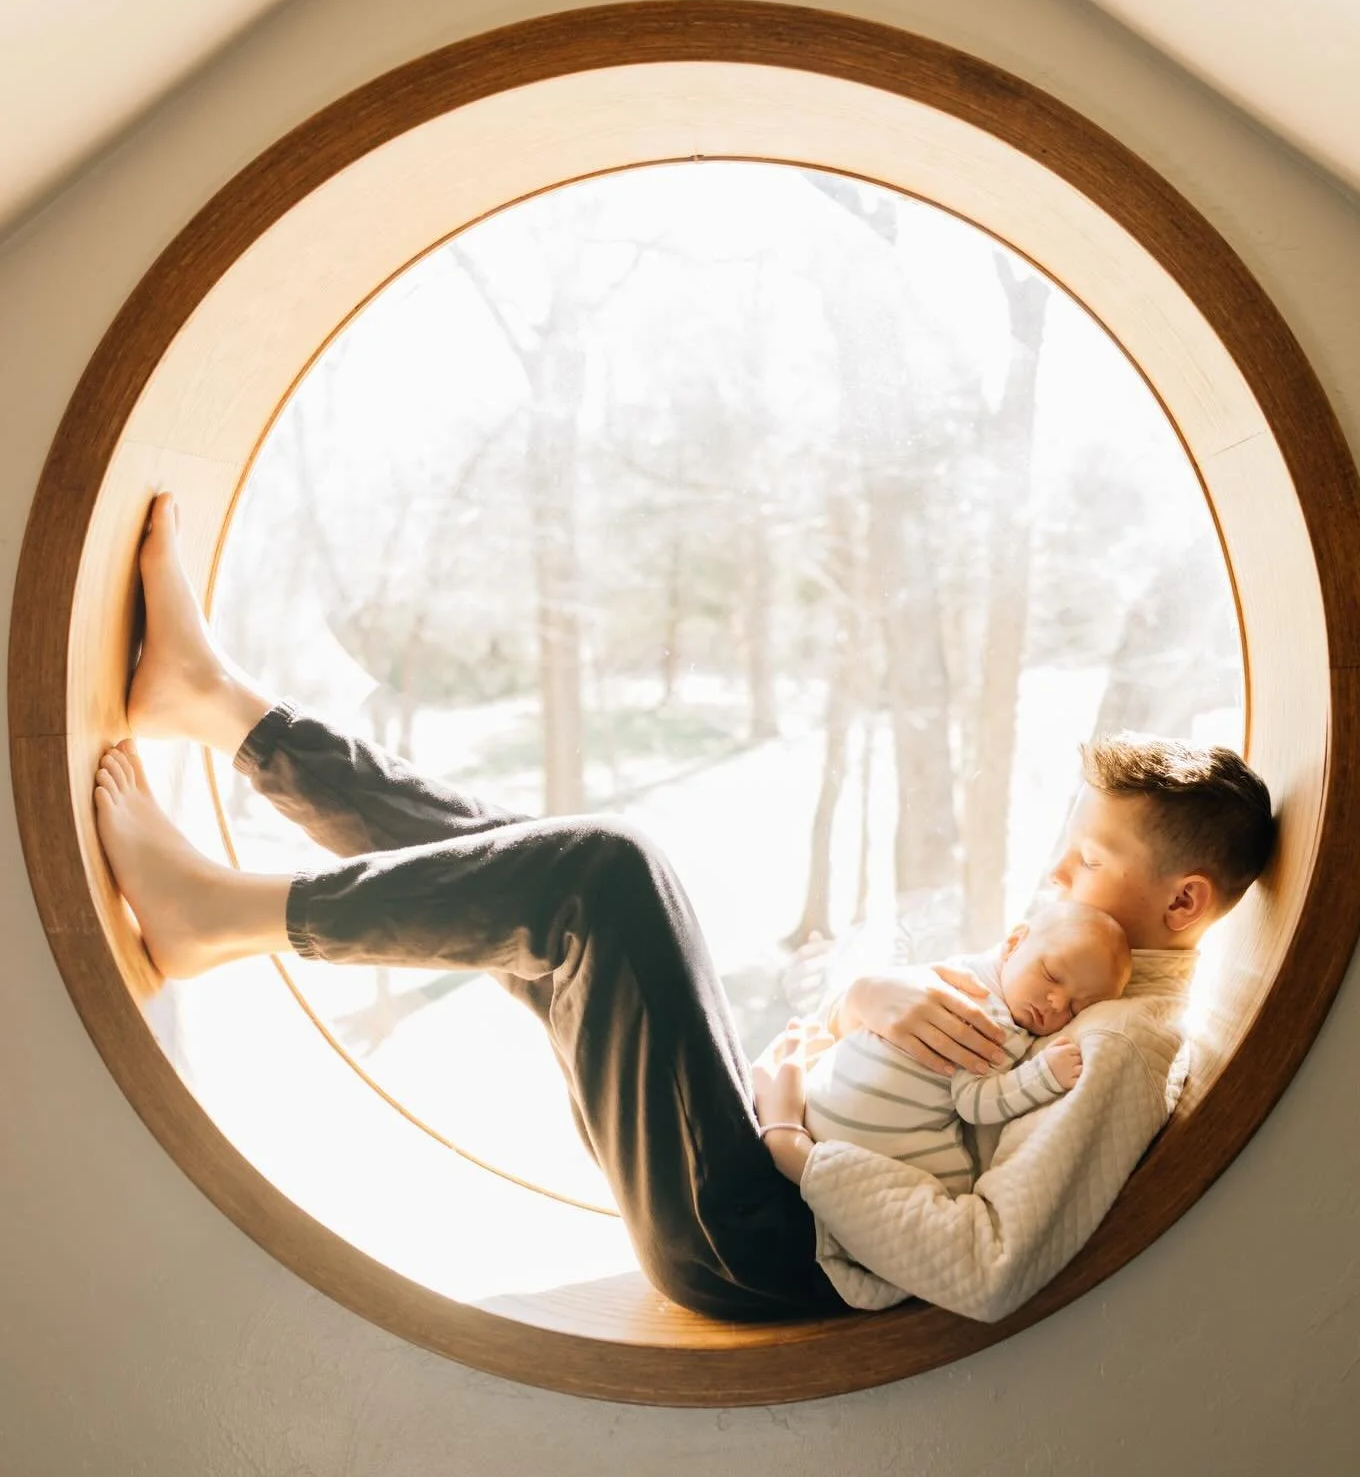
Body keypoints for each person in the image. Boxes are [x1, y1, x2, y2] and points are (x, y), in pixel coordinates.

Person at [95, 494, 1275, 1325]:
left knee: (605, 870)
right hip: (765, 1182)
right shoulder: (1078, 965)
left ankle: (225, 914)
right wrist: (856, 997)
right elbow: (917, 1082)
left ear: (1184, 899)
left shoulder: (1123, 1043)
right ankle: (228, 711)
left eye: (1083, 861)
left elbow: (988, 1264)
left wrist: (798, 1150)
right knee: (545, 871)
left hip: (768, 1244)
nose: (1050, 880)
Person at [798, 901, 1131, 1195]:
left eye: (1075, 1008)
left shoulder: (966, 975)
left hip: (818, 1112)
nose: (1057, 1002)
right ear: (1013, 942)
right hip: (858, 1137)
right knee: (955, 1188)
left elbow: (970, 1097)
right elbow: (976, 1103)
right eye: (1052, 975)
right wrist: (1045, 1075)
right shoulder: (997, 1022)